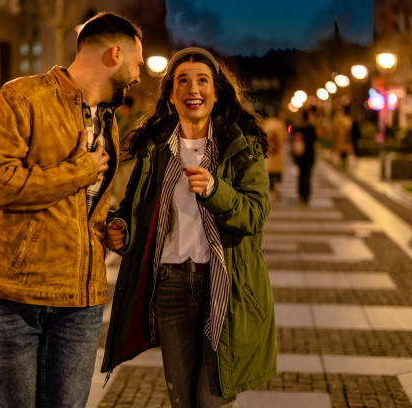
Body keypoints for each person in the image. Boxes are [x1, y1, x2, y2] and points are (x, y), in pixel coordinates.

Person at [0, 12, 143, 408]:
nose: (139, 76)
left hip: (81, 299)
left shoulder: (107, 121)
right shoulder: (22, 98)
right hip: (16, 293)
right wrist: (77, 171)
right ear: (115, 53)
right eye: (137, 63)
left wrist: (112, 225)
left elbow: (84, 201)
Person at [101, 47, 277, 407]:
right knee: (181, 400)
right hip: (171, 287)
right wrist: (121, 229)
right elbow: (133, 208)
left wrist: (214, 189)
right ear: (170, 93)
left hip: (225, 285)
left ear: (216, 92)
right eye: (182, 81)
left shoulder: (239, 146)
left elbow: (255, 214)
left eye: (202, 81)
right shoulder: (156, 148)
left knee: (212, 399)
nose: (192, 89)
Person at [262, 107, 287, 199]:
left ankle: (271, 189)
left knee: (269, 170)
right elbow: (284, 137)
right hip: (278, 152)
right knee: (277, 171)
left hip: (268, 152)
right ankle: (277, 187)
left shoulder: (266, 123)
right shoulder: (281, 124)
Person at [293, 110, 317, 204]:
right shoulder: (311, 127)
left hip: (300, 154)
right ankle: (306, 194)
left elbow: (293, 138)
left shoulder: (298, 127)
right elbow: (314, 140)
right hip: (309, 154)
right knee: (307, 175)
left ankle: (301, 192)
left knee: (301, 174)